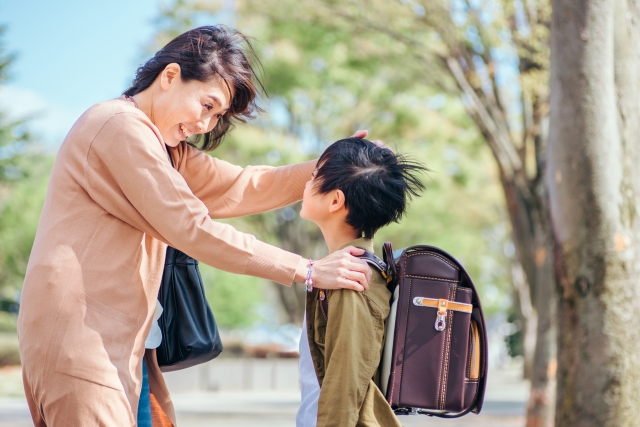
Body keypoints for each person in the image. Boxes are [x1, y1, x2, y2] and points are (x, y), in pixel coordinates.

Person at [17, 26, 379, 427]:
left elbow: (245, 186)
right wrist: (307, 271)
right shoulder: (119, 127)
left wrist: (333, 166)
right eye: (207, 105)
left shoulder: (165, 148)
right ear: (170, 77)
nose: (207, 124)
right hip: (81, 340)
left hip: (123, 345)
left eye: (217, 115)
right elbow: (192, 227)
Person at [296, 138, 426, 427]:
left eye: (316, 175)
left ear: (335, 201)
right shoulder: (345, 270)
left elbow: (345, 383)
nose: (307, 181)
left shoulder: (349, 278)